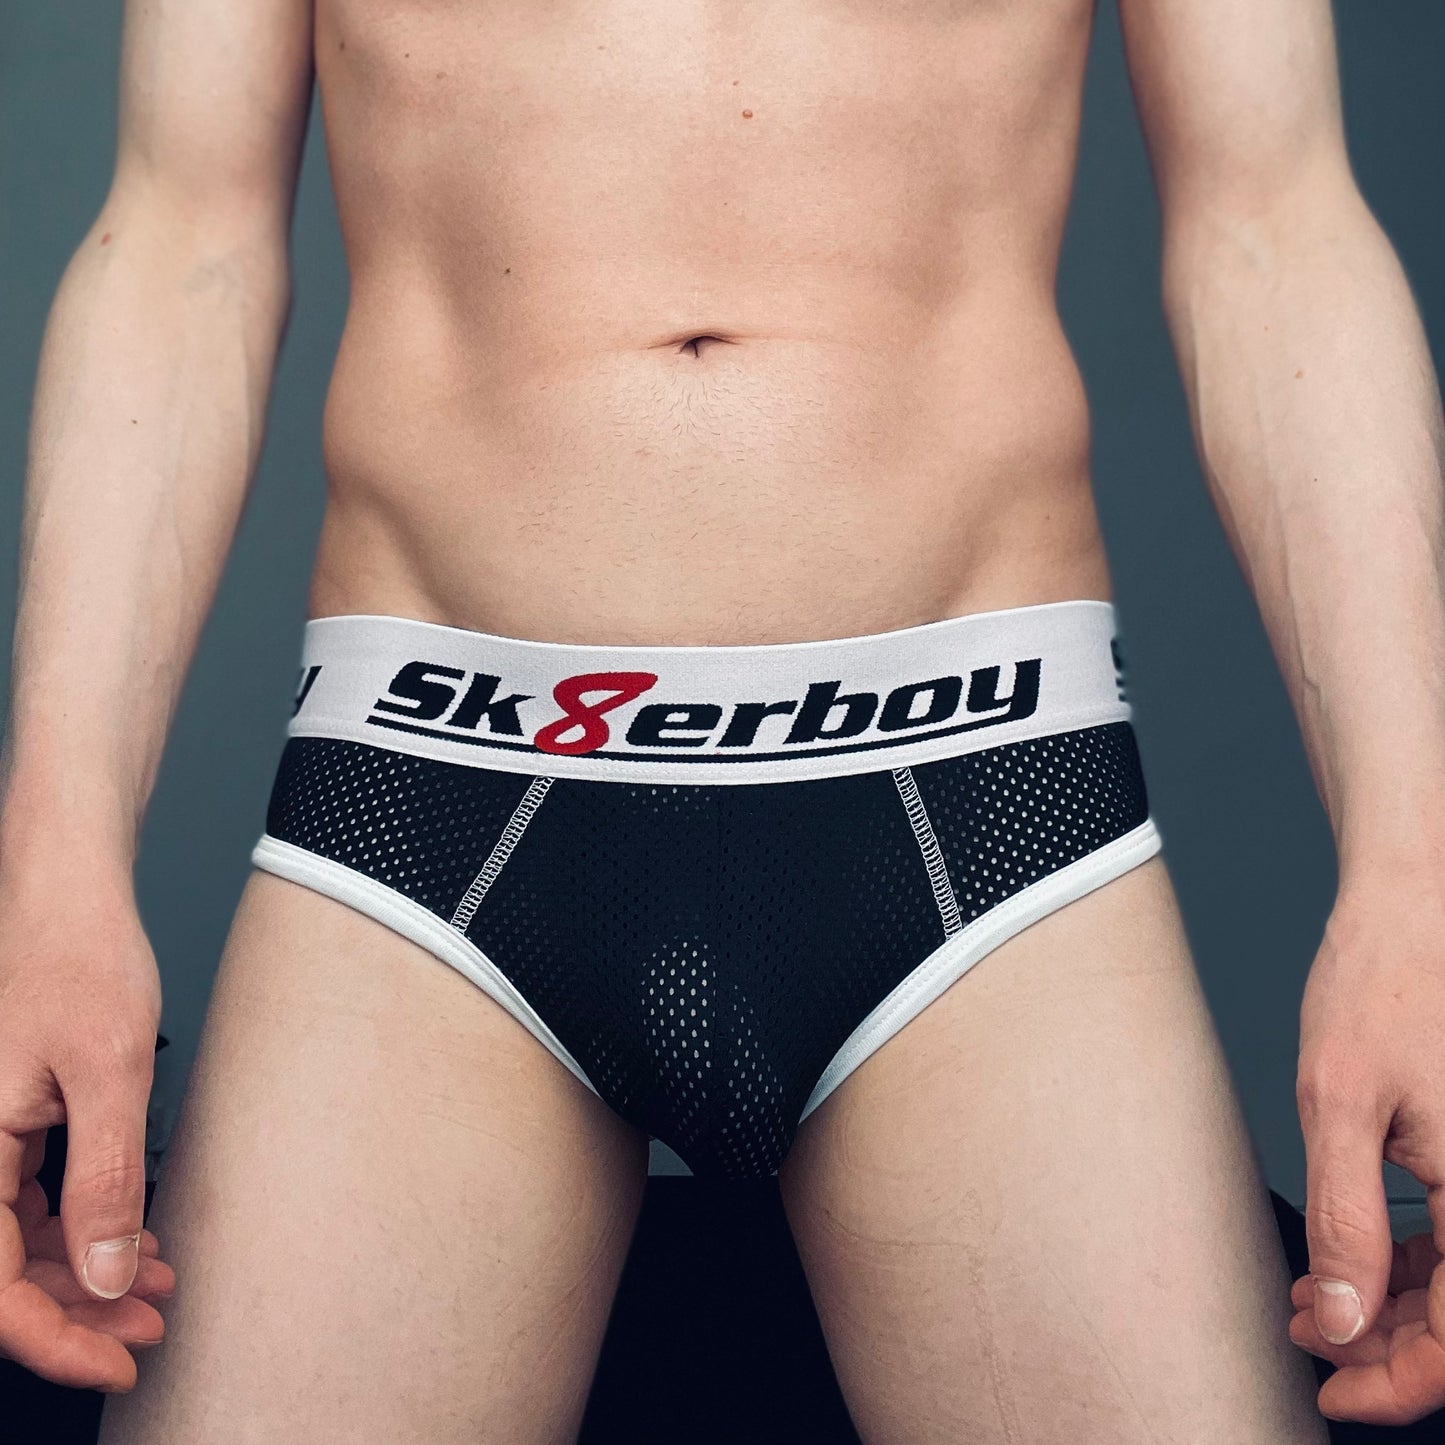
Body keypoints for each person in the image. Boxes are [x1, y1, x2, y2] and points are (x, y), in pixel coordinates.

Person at [0, 0, 1441, 1438]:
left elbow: (1272, 224)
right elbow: (182, 240)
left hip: (980, 791)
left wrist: (1415, 875)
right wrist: (51, 866)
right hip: (430, 793)